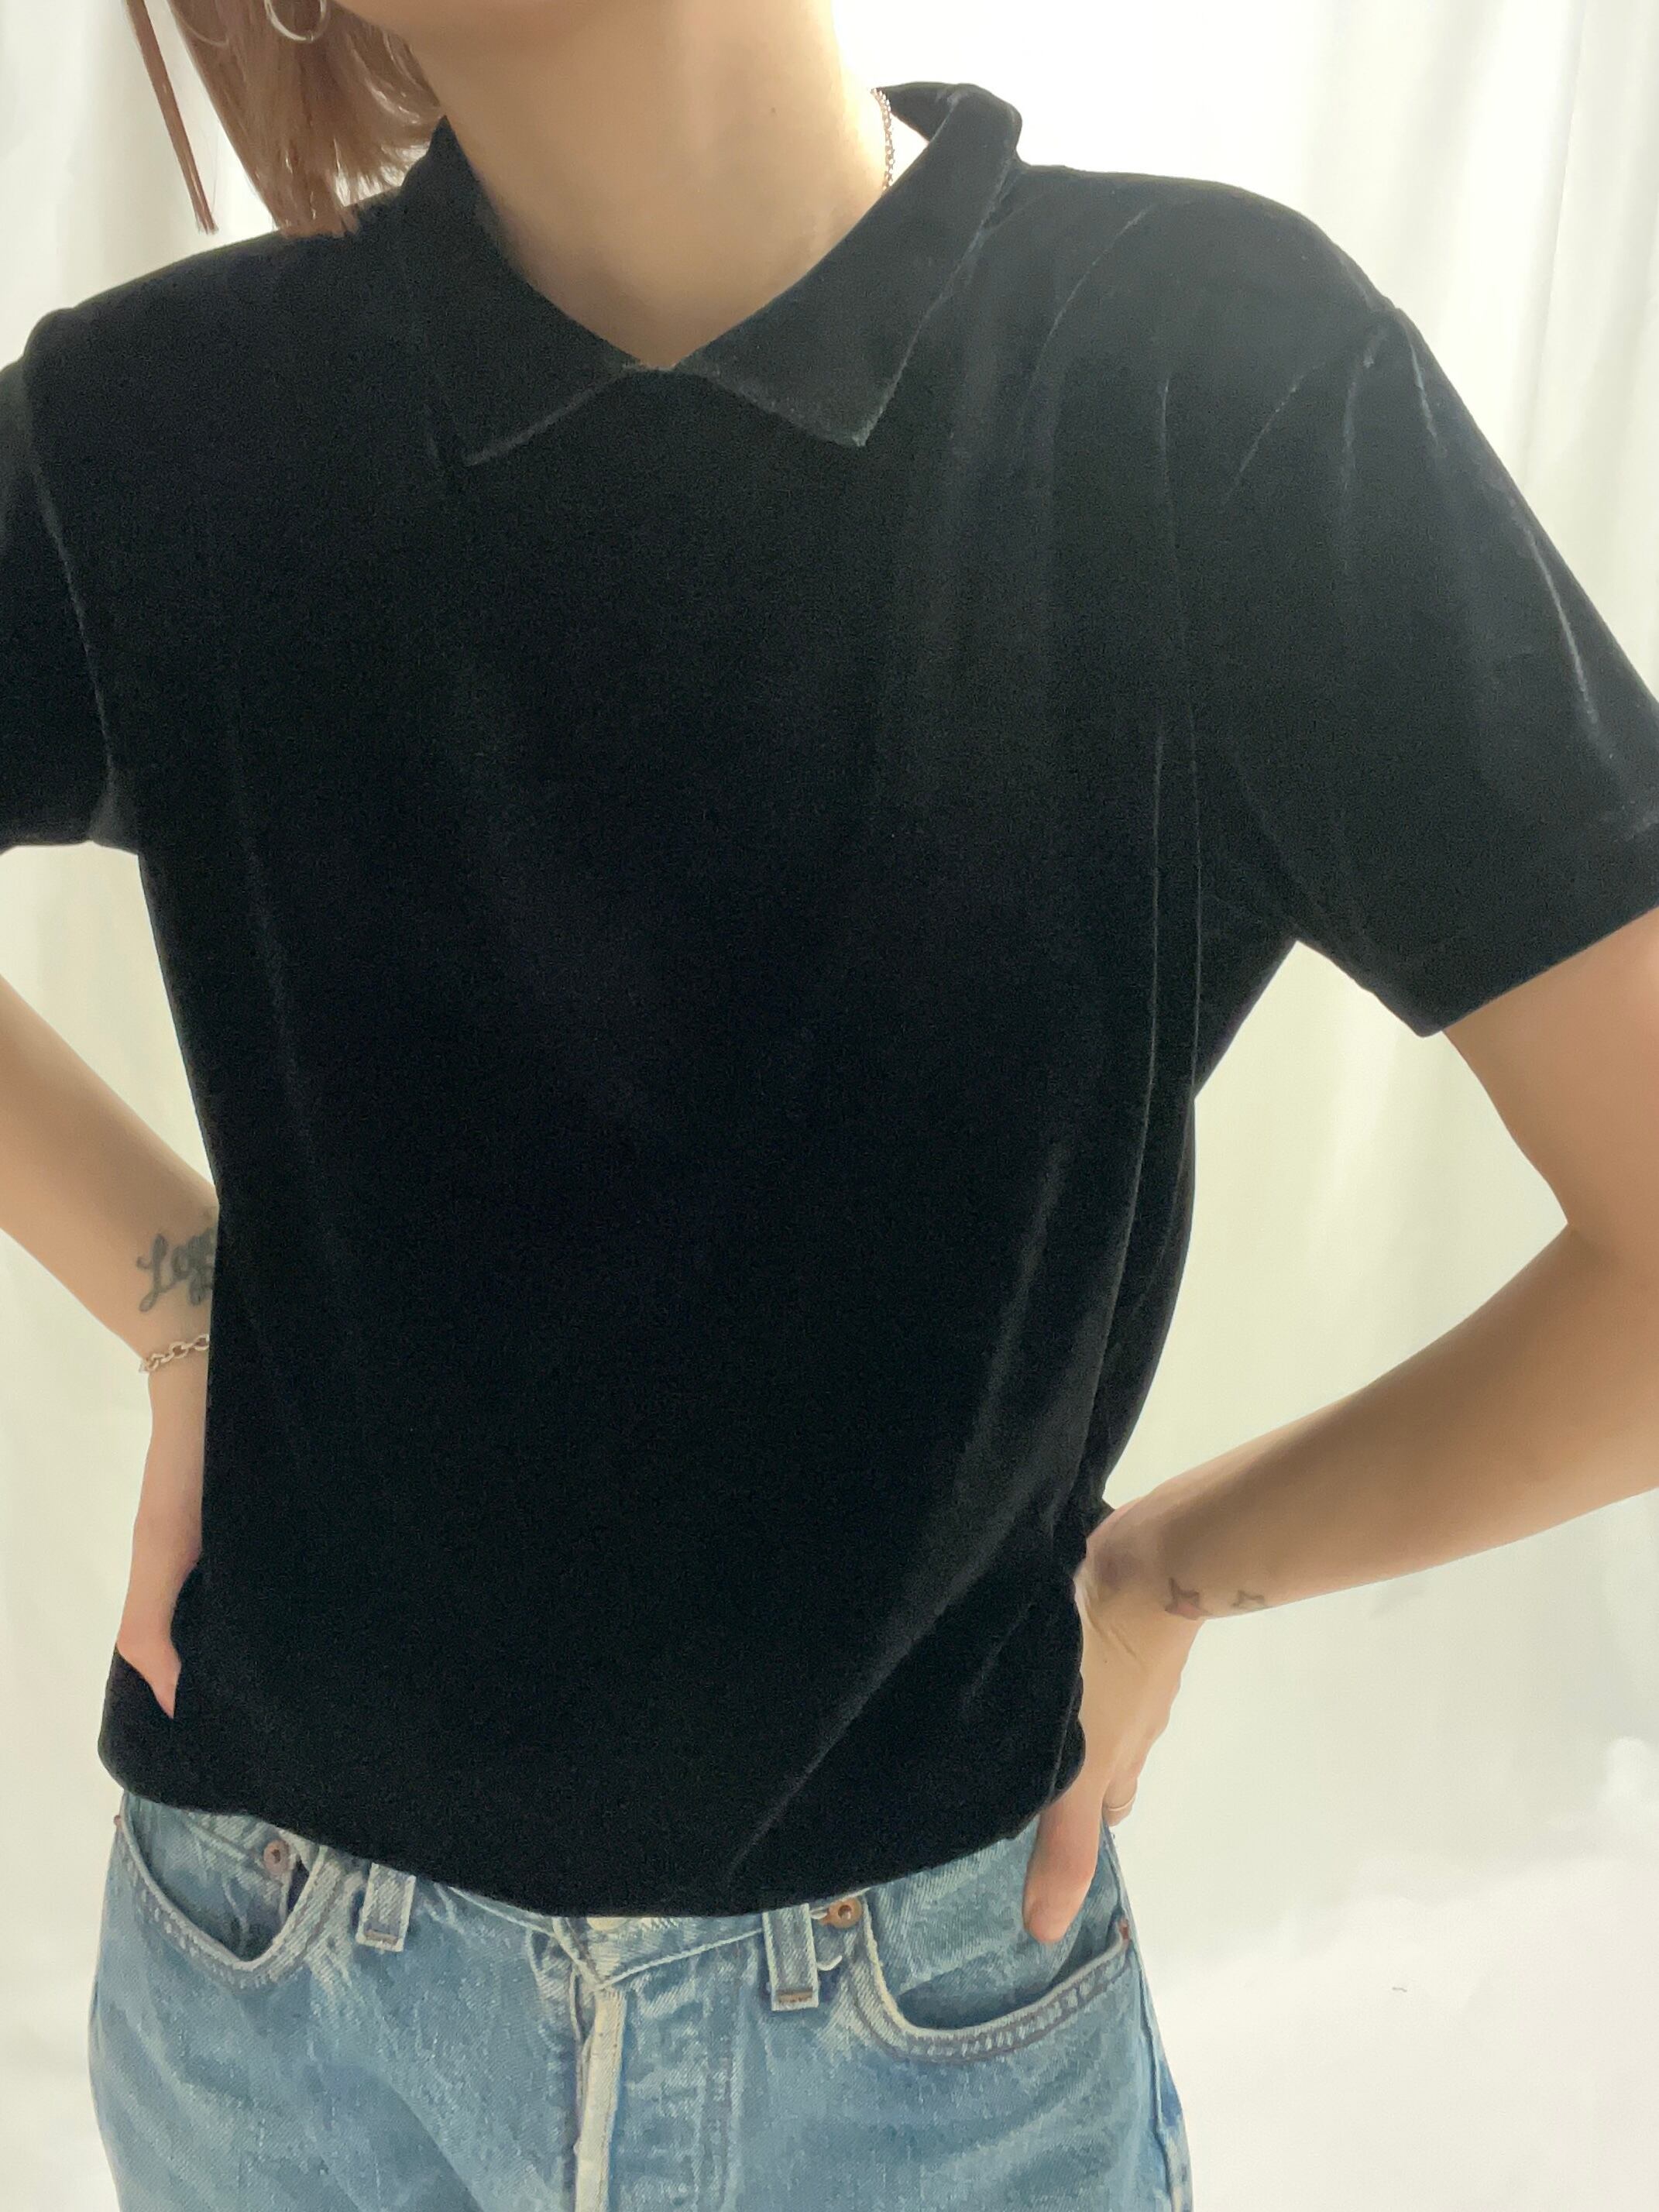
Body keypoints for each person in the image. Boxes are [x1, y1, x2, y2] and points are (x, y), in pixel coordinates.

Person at [5, 1, 1659, 2204]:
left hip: (926, 2045)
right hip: (275, 2005)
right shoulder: (156, 433)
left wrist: (1178, 1569)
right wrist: (180, 1296)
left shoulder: (1216, 395)